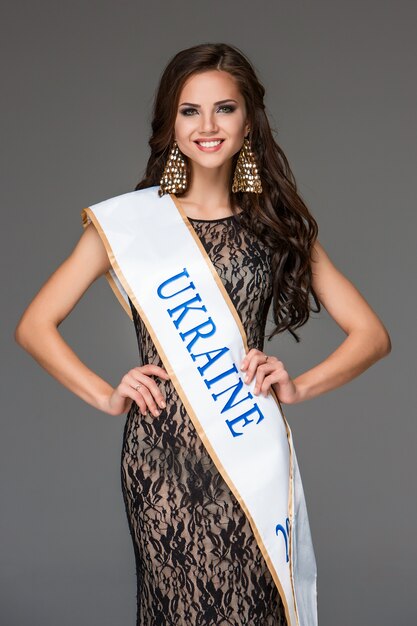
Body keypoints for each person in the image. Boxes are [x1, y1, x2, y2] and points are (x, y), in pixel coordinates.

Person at [14, 42, 391, 626]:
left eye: (225, 109)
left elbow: (371, 334)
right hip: (160, 463)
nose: (208, 126)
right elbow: (34, 325)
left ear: (249, 120)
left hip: (248, 455)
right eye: (190, 111)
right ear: (170, 123)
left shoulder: (275, 225)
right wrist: (106, 394)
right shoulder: (132, 224)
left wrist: (299, 387)